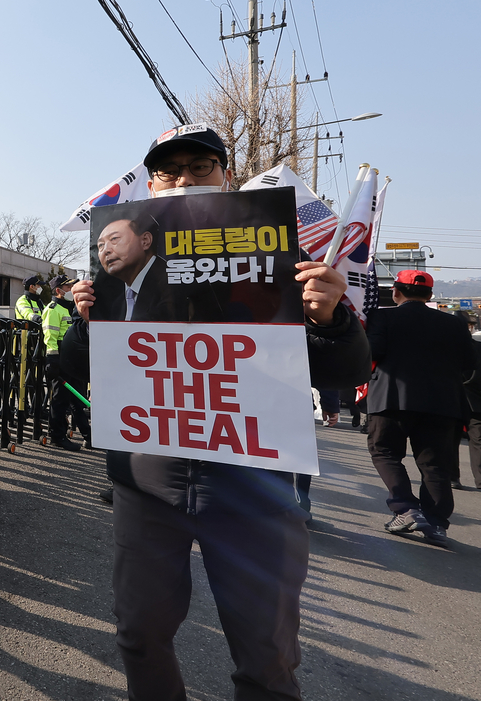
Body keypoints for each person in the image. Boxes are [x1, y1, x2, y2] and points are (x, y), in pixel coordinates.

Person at [62, 123, 370, 701]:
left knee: (267, 654)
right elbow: (79, 371)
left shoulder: (279, 257)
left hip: (256, 478)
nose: (182, 181)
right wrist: (86, 325)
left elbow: (343, 372)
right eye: (167, 172)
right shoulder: (116, 260)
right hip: (148, 477)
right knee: (138, 633)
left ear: (226, 175)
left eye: (199, 168)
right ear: (149, 186)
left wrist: (332, 318)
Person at [364, 270, 477, 547]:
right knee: (435, 464)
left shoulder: (383, 316)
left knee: (384, 451)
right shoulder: (454, 323)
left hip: (392, 398)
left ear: (396, 292)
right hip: (443, 403)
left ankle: (405, 509)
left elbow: (372, 351)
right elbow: (468, 361)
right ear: (430, 295)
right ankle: (436, 523)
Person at [41, 275, 85, 451]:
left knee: (75, 398)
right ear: (59, 291)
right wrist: (52, 360)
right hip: (59, 358)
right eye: (68, 288)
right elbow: (50, 337)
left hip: (72, 359)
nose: (71, 290)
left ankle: (86, 434)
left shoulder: (69, 307)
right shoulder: (53, 309)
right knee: (60, 400)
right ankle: (57, 437)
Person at [462, 312, 481, 489]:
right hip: (475, 400)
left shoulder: (445, 348)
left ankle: (452, 476)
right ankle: (480, 479)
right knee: (478, 440)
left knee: (449, 440)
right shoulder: (478, 347)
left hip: (451, 399)